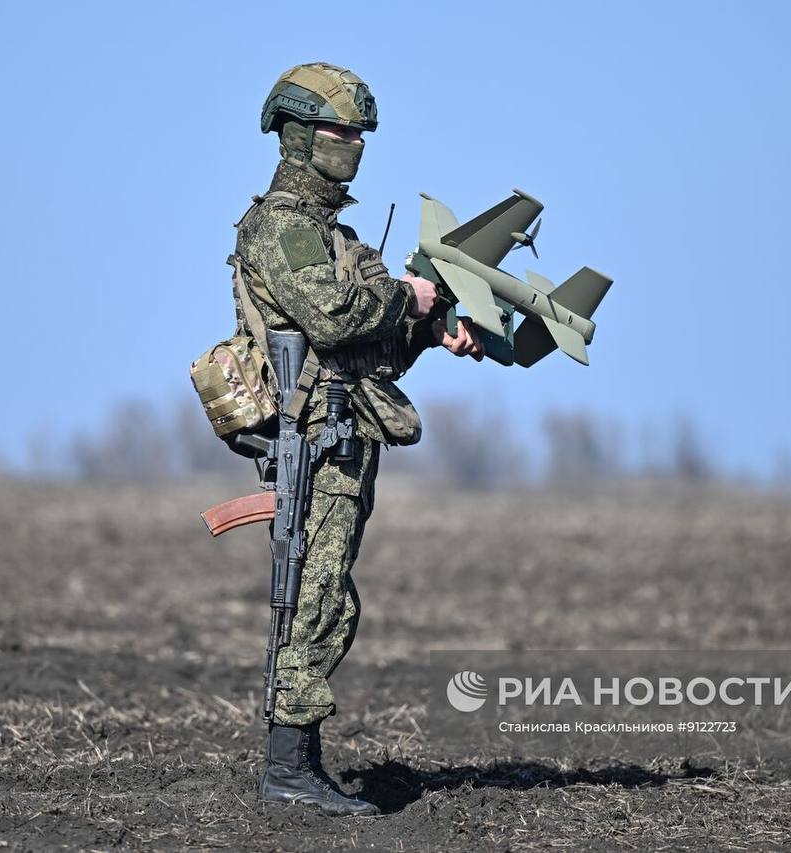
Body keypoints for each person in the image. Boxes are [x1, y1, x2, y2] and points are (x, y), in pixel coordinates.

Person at [227, 62, 485, 816]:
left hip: (347, 432)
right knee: (313, 596)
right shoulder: (282, 228)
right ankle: (289, 768)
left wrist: (431, 331)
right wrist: (405, 295)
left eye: (361, 133)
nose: (357, 144)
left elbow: (368, 345)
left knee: (329, 597)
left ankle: (296, 762)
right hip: (315, 436)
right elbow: (337, 316)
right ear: (303, 136)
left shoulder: (333, 236)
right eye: (344, 131)